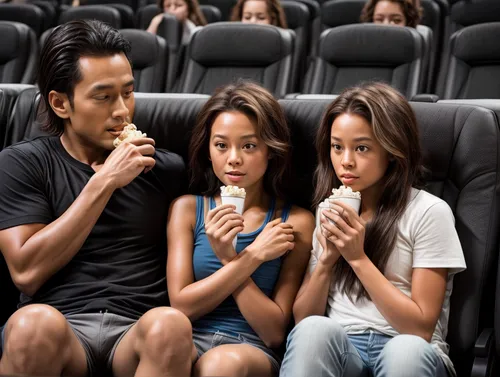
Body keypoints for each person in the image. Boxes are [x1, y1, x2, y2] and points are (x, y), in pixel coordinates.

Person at [0, 20, 193, 377]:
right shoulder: (22, 163)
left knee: (170, 325)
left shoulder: (167, 169)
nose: (122, 110)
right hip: (59, 326)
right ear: (60, 103)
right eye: (103, 97)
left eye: (129, 92)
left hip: (137, 330)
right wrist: (103, 181)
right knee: (31, 325)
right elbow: (26, 272)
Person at [279, 82, 466, 377]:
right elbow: (303, 318)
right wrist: (327, 261)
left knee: (404, 351)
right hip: (343, 349)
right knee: (314, 330)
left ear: (391, 150)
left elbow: (420, 328)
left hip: (409, 348)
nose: (346, 162)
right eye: (337, 147)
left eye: (362, 148)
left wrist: (357, 258)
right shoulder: (328, 209)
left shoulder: (429, 212)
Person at [166, 81, 314, 377]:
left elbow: (274, 331)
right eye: (221, 145)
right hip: (187, 341)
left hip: (249, 348)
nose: (233, 158)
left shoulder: (295, 221)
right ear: (208, 150)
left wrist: (227, 257)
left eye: (249, 145)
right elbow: (181, 306)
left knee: (220, 365)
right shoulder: (187, 209)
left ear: (270, 150)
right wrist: (250, 257)